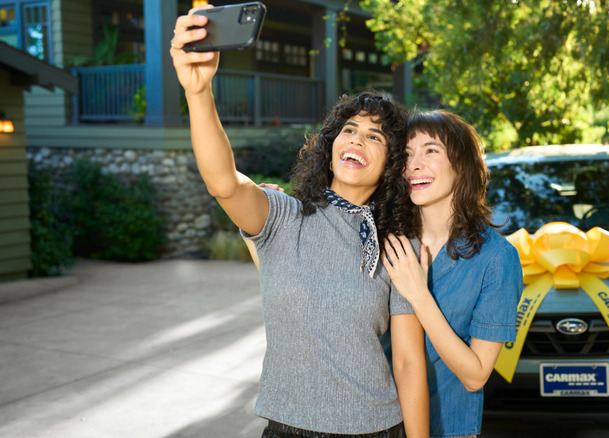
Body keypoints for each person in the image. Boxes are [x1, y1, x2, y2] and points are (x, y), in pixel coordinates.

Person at [170, 7, 428, 438]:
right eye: (349, 129)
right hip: (285, 428)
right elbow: (224, 183)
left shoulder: (398, 244)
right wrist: (199, 93)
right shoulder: (283, 217)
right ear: (330, 145)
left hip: (376, 429)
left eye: (375, 136)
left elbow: (407, 361)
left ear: (391, 164)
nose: (357, 140)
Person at [381, 110, 523, 438]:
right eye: (406, 154)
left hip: (449, 429)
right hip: (374, 425)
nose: (414, 165)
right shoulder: (388, 238)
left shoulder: (496, 258)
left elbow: (476, 375)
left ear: (462, 165)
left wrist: (418, 294)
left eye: (430, 151)